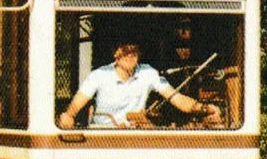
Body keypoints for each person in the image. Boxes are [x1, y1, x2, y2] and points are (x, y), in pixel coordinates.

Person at [57, 42, 220, 129]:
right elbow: (77, 104)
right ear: (115, 53)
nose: (129, 55)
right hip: (104, 139)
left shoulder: (147, 72)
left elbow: (176, 98)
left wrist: (207, 109)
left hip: (134, 137)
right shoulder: (99, 75)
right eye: (124, 50)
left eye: (133, 51)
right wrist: (68, 116)